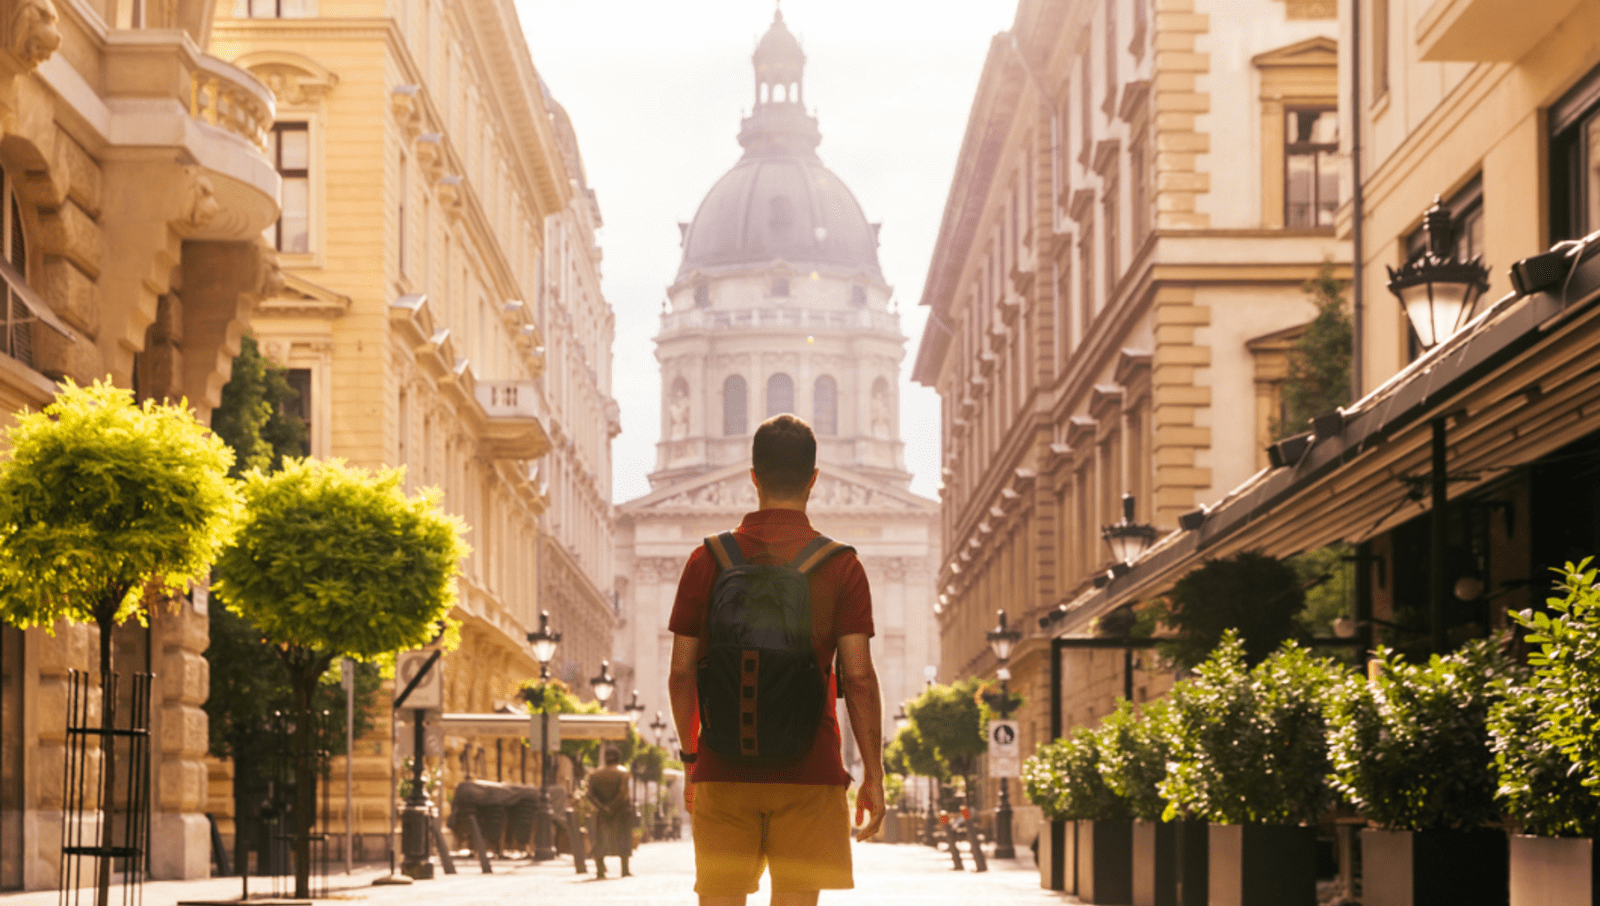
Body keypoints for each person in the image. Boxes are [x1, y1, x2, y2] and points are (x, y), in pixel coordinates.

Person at [668, 413, 885, 906]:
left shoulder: (707, 560)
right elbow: (859, 677)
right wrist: (873, 772)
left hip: (723, 768)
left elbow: (681, 673)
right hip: (809, 770)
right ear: (813, 479)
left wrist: (691, 759)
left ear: (753, 476)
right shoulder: (841, 564)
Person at [586, 747, 633, 879]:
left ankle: (600, 871)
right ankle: (625, 870)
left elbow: (589, 794)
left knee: (601, 840)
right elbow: (623, 793)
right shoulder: (623, 772)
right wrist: (612, 807)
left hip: (602, 813)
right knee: (622, 839)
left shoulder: (595, 773)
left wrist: (602, 807)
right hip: (620, 811)